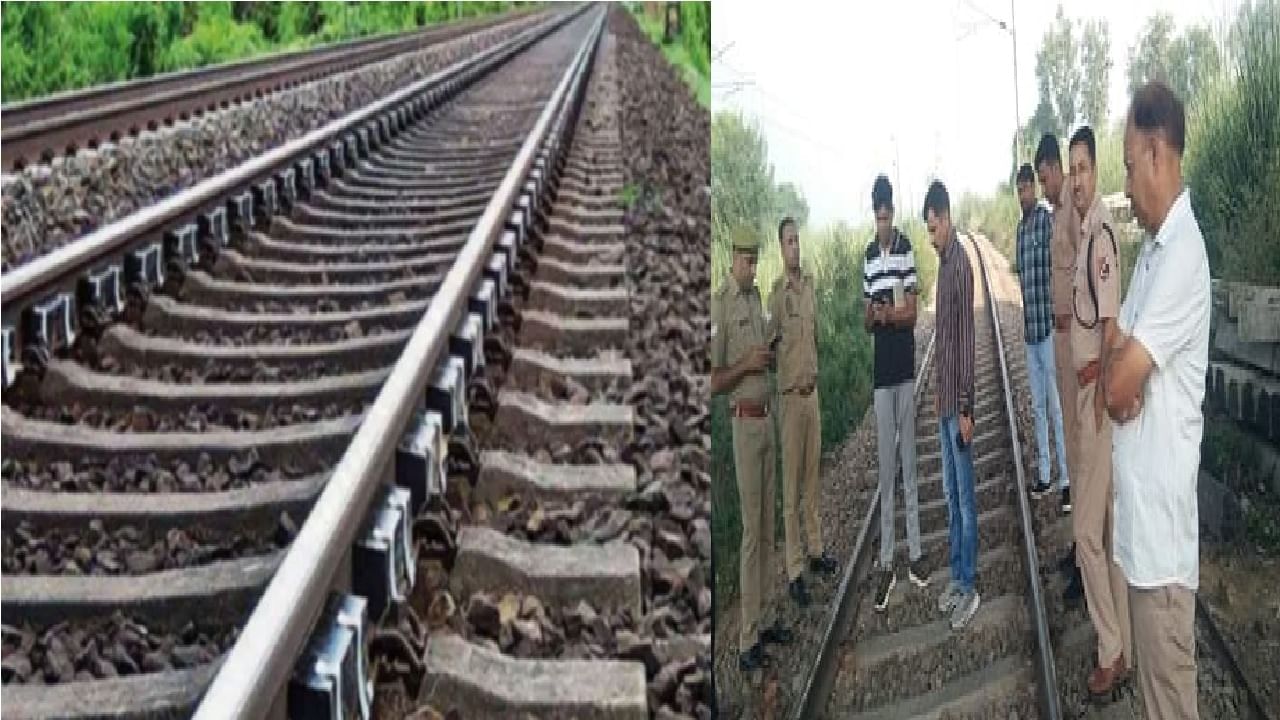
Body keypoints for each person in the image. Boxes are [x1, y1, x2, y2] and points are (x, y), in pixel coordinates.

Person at [1104, 81, 1208, 720]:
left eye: (1124, 162)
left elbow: (1115, 384)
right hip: (1142, 541)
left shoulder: (1183, 256)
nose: (1124, 179)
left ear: (1154, 152)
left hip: (1164, 551)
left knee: (1170, 703)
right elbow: (1115, 350)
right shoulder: (1152, 253)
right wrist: (1123, 380)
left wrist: (1123, 383)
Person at [1067, 126, 1133, 698]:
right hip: (1093, 391)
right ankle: (1125, 646)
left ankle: (1111, 651)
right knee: (1106, 534)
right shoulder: (1086, 229)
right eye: (1072, 171)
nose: (1078, 179)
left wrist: (1100, 405)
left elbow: (1111, 329)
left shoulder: (1100, 239)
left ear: (1099, 171)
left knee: (1084, 533)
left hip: (1097, 394)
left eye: (1084, 168)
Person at [711, 227, 793, 672]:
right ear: (733, 257)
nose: (752, 267)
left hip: (768, 420)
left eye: (756, 260)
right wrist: (746, 363)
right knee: (750, 533)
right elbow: (713, 380)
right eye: (747, 260)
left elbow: (763, 357)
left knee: (766, 530)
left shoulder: (756, 300)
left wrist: (771, 356)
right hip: (743, 424)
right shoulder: (721, 304)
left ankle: (764, 620)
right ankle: (745, 641)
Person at [862, 175, 927, 612]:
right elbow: (867, 318)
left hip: (904, 369)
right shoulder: (867, 258)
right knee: (887, 471)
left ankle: (917, 554)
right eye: (878, 216)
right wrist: (877, 316)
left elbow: (914, 313)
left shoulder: (905, 250)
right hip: (880, 377)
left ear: (892, 213)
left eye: (887, 215)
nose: (883, 223)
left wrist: (890, 315)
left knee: (909, 466)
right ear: (873, 212)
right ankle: (887, 560)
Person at [769, 217, 838, 611]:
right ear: (781, 248)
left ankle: (815, 550)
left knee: (813, 481)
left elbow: (815, 340)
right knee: (791, 489)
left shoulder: (810, 287)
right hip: (791, 401)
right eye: (789, 242)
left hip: (812, 397)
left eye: (798, 240)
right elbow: (769, 345)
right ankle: (794, 571)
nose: (795, 247)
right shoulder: (776, 297)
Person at [922, 180, 980, 630]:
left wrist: (965, 408)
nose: (931, 233)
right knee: (949, 494)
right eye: (928, 227)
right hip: (944, 404)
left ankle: (970, 585)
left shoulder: (959, 266)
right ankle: (957, 578)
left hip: (955, 405)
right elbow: (942, 343)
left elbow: (964, 344)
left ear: (946, 216)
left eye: (933, 225)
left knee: (964, 499)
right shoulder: (943, 265)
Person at [1014, 163, 1072, 504]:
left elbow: (1056, 272)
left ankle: (1066, 479)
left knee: (1056, 407)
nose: (1024, 194)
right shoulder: (1020, 231)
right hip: (1030, 333)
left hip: (1049, 331)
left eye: (1027, 188)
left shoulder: (1047, 222)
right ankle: (1045, 475)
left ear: (1035, 187)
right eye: (1019, 190)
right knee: (1037, 407)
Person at [1034, 133, 1078, 516]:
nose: (1044, 188)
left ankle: (1086, 552)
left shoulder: (1074, 212)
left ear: (1057, 168)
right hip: (1058, 339)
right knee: (1069, 432)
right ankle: (1078, 549)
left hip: (1076, 341)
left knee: (1079, 442)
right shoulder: (1054, 215)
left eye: (1045, 177)